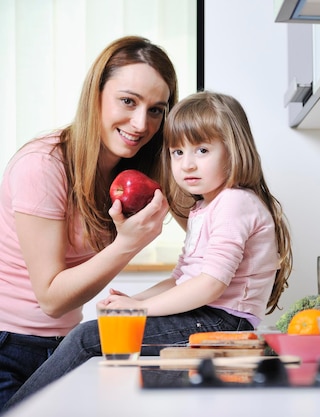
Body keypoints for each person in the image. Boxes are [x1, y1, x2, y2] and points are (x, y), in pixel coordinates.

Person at [2, 90, 293, 411]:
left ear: (235, 150)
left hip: (223, 321)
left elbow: (210, 284)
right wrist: (134, 302)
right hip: (210, 316)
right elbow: (182, 277)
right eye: (177, 152)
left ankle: (18, 411)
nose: (188, 164)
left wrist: (139, 310)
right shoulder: (205, 208)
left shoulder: (235, 202)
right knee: (99, 339)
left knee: (89, 338)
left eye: (203, 149)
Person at [0, 36, 177, 410]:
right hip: (8, 349)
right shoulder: (43, 164)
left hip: (60, 346)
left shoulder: (133, 172)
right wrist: (129, 243)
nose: (141, 123)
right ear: (95, 95)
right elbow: (51, 298)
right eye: (128, 101)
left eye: (156, 110)